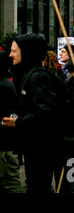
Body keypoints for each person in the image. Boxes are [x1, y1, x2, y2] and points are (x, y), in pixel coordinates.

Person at [3, 34, 65, 193]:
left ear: (27, 52)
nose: (10, 55)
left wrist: (18, 122)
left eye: (14, 51)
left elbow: (45, 113)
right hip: (37, 146)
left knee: (39, 186)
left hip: (42, 148)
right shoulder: (30, 74)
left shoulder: (37, 76)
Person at [0, 51, 25, 193]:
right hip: (6, 144)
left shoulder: (4, 86)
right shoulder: (5, 83)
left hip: (5, 145)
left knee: (11, 184)